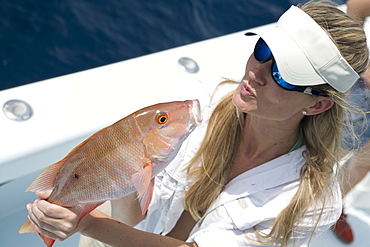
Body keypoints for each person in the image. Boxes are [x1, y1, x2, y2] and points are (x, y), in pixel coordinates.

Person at [26, 1, 369, 246]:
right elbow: (132, 218)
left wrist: (89, 224)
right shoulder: (198, 104)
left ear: (319, 103)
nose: (256, 72)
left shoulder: (312, 202)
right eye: (264, 50)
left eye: (283, 74)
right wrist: (119, 176)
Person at [332, 0, 370, 243]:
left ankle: (332, 208)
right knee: (329, 151)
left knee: (366, 160)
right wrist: (363, 64)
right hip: (362, 89)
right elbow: (358, 6)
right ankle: (283, 199)